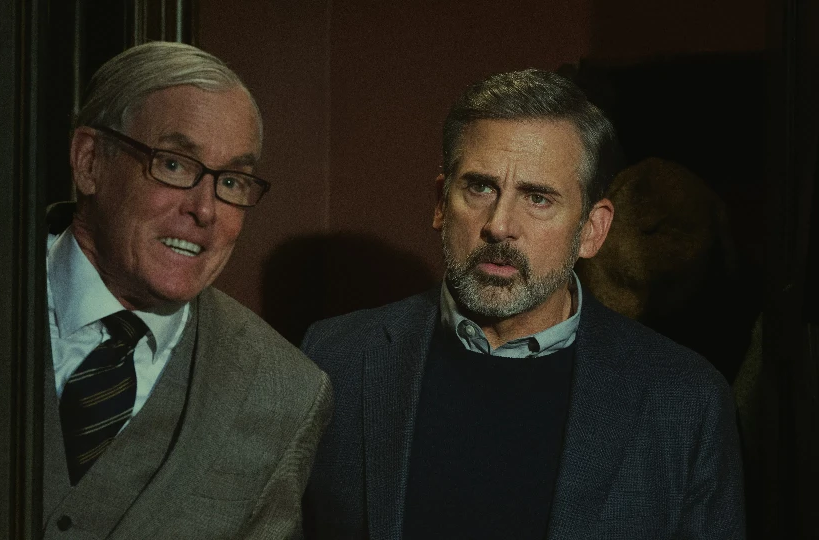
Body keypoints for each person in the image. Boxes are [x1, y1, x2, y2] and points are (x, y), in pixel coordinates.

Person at [301, 69, 744, 539]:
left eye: (538, 198)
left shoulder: (684, 400)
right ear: (440, 203)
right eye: (480, 187)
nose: (499, 225)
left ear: (592, 230)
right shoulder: (337, 359)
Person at [43, 41, 331, 539]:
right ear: (89, 161)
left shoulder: (285, 392)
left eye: (232, 181)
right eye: (174, 165)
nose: (205, 210)